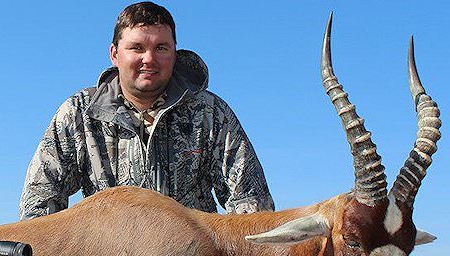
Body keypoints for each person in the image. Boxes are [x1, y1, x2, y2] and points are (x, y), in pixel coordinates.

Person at [19, 2, 274, 220]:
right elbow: (39, 204)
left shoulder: (210, 112)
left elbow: (251, 203)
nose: (149, 59)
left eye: (161, 48)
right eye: (137, 48)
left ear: (174, 54)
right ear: (115, 54)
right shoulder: (78, 113)